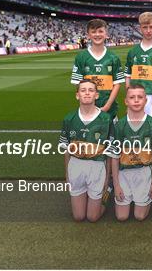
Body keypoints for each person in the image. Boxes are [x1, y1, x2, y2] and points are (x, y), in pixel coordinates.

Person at [108, 84, 152, 221]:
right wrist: (116, 185)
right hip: (124, 173)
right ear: (126, 101)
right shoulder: (119, 126)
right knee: (121, 217)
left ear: (146, 100)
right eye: (132, 97)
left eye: (140, 97)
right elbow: (114, 158)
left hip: (144, 172)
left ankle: (144, 195)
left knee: (139, 216)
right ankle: (112, 190)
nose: (136, 100)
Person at [59, 79, 113, 222]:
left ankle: (107, 192)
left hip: (97, 167)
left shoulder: (106, 119)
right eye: (83, 90)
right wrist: (67, 175)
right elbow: (66, 150)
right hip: (76, 166)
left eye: (91, 90)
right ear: (77, 95)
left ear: (96, 95)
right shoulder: (69, 119)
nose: (87, 93)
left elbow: (110, 153)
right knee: (78, 217)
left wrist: (107, 179)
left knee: (92, 217)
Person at [71, 19, 125, 121]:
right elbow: (78, 84)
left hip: (110, 110)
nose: (97, 35)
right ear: (88, 35)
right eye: (93, 32)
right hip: (88, 110)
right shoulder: (81, 57)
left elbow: (117, 84)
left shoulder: (113, 58)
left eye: (100, 31)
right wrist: (88, 104)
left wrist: (107, 106)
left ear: (106, 34)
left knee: (111, 136)